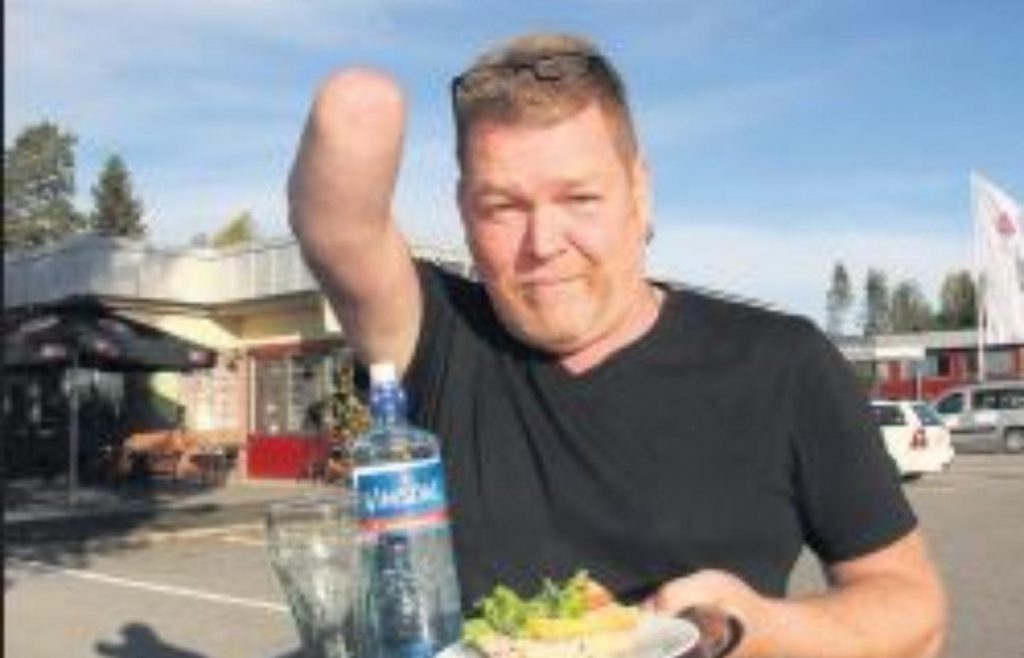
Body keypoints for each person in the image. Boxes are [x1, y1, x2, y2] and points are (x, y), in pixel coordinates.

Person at [288, 32, 947, 658]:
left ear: (640, 191)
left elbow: (914, 613)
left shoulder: (781, 364)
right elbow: (345, 172)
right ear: (464, 212)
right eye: (504, 207)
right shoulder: (434, 338)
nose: (544, 244)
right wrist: (372, 91)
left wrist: (762, 630)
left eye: (579, 197)